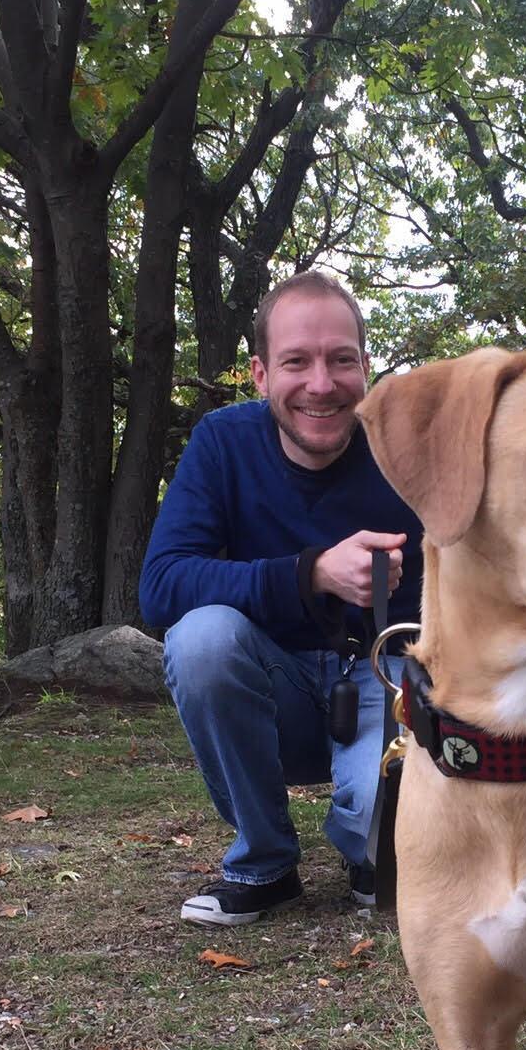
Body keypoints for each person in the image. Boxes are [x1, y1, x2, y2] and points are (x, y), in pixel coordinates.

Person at [140, 270, 423, 926]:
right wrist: (311, 573)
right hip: (273, 690)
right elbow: (160, 587)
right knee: (201, 637)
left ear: (366, 367)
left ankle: (373, 851)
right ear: (262, 375)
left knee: (386, 861)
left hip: (388, 675)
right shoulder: (222, 443)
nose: (321, 384)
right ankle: (263, 863)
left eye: (340, 360)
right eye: (297, 361)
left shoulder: (409, 449)